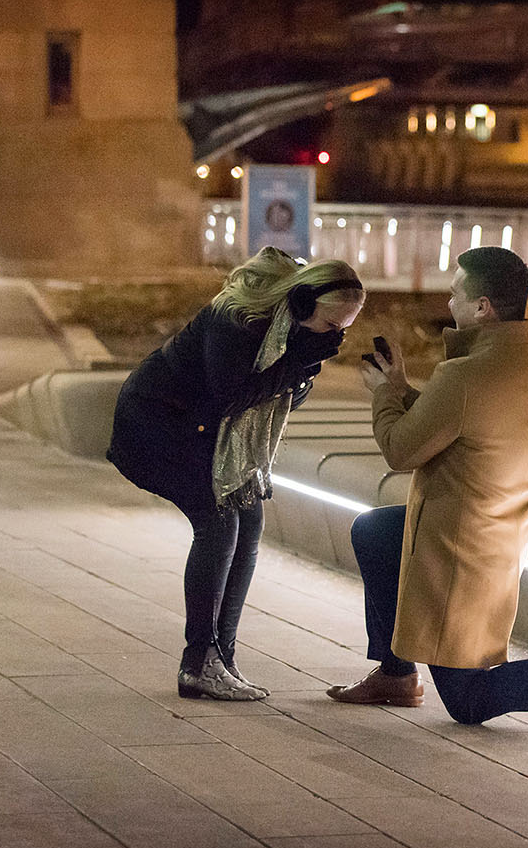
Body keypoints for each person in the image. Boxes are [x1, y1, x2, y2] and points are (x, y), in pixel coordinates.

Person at [327, 246, 528, 734]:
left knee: (468, 701)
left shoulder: (464, 376)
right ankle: (396, 674)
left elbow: (401, 452)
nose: (448, 302)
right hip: (499, 538)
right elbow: (465, 423)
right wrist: (407, 391)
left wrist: (386, 393)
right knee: (375, 531)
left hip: (455, 552)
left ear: (482, 308)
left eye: (456, 294)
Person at [108, 247, 365, 700]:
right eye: (330, 327)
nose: (334, 338)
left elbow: (283, 398)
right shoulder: (237, 319)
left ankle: (221, 658)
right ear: (302, 304)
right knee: (218, 521)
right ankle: (199, 662)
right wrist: (299, 362)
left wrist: (303, 363)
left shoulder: (289, 331)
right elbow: (234, 395)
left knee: (250, 521)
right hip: (158, 421)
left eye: (342, 331)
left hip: (201, 429)